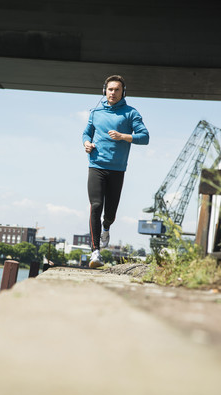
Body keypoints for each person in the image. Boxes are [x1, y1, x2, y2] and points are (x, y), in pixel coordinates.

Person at [82, 74, 149, 268]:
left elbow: (144, 137)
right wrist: (86, 143)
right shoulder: (95, 112)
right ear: (105, 90)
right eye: (110, 89)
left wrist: (123, 136)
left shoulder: (131, 113)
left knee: (109, 213)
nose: (112, 93)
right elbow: (87, 132)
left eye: (117, 89)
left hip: (117, 168)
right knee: (95, 206)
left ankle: (106, 227)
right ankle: (95, 252)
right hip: (96, 165)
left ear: (123, 92)